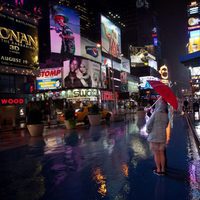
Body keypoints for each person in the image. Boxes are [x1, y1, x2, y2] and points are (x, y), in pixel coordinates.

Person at [146, 97, 169, 176]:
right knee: (161, 153)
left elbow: (149, 124)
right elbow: (166, 125)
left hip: (154, 136)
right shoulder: (166, 115)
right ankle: (163, 169)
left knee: (156, 153)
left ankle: (158, 170)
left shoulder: (155, 113)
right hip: (162, 136)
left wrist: (148, 131)